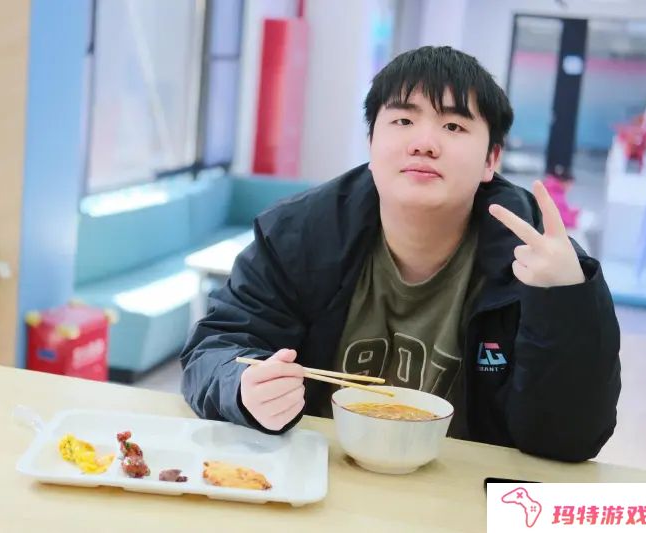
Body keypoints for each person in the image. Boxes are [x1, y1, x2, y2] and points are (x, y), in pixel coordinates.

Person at [179, 46, 621, 462]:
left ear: (491, 159)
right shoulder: (300, 234)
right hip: (318, 478)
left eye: (454, 127)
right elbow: (217, 348)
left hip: (462, 494)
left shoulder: (538, 260)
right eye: (404, 121)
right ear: (371, 142)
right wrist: (243, 388)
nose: (424, 143)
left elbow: (567, 440)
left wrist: (566, 301)